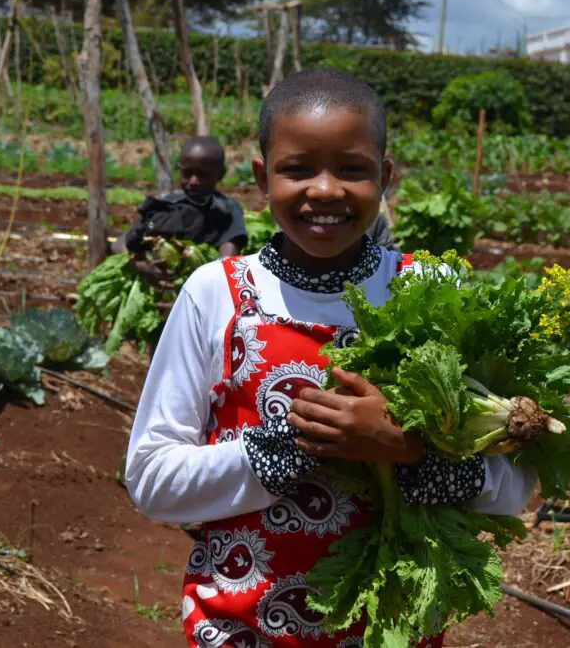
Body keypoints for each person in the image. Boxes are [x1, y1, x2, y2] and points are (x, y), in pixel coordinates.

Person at [124, 69, 536, 647]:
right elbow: (150, 478)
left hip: (395, 630)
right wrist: (292, 447)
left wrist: (408, 451)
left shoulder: (434, 292)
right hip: (241, 628)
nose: (324, 190)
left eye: (352, 169)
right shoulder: (216, 292)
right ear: (263, 178)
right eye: (298, 169)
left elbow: (519, 482)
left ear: (386, 177)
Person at [112, 136, 248, 287]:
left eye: (203, 174)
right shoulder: (165, 205)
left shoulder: (226, 211)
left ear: (220, 174)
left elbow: (226, 262)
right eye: (187, 173)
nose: (194, 181)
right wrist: (141, 267)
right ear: (180, 170)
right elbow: (119, 245)